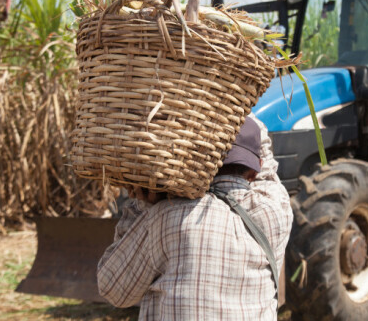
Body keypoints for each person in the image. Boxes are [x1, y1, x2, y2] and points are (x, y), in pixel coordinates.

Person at [97, 114, 292, 320]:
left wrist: (142, 202)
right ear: (254, 171)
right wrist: (243, 109)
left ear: (195, 163)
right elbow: (267, 168)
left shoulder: (168, 217)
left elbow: (113, 289)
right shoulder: (276, 209)